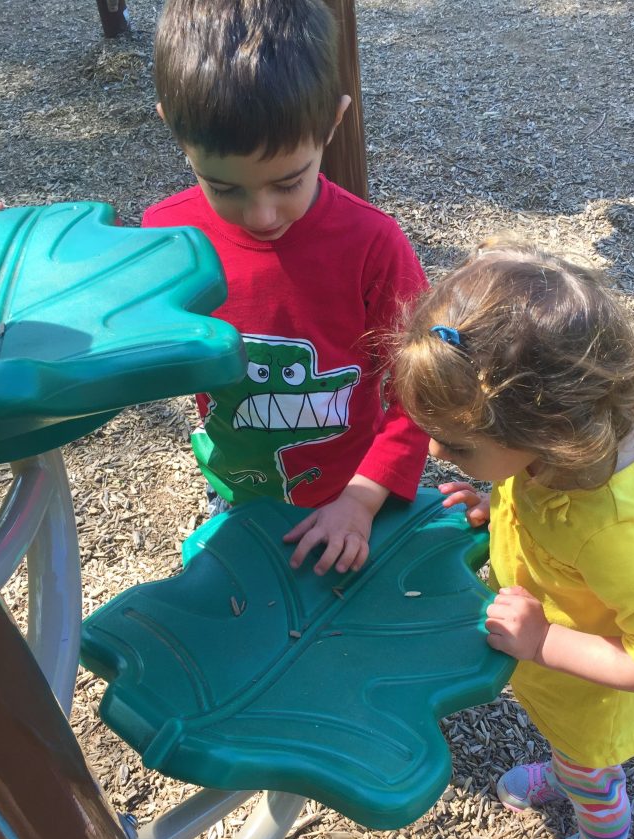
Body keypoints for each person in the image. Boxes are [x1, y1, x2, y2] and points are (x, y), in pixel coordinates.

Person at [390, 237, 634, 839]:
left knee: (592, 774)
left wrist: (541, 644)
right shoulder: (572, 439)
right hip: (560, 684)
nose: (435, 453)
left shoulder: (614, 530)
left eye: (457, 446)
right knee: (572, 759)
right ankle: (567, 771)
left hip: (591, 702)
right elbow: (529, 485)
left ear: (546, 430)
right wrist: (494, 497)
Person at [142, 0, 429, 576]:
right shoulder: (167, 236)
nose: (262, 214)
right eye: (224, 188)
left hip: (350, 492)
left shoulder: (371, 245)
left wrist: (363, 498)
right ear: (173, 128)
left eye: (288, 182)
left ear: (332, 122)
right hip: (236, 484)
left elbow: (421, 388)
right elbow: (127, 334)